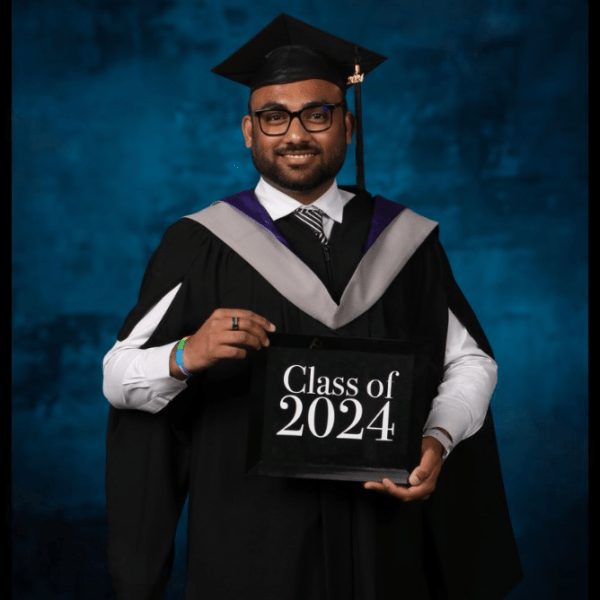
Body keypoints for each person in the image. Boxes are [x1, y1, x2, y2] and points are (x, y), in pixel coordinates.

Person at [102, 13, 522, 600]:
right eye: (274, 117)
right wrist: (184, 354)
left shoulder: (403, 241)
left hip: (383, 537)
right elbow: (118, 377)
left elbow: (472, 363)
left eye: (317, 114)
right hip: (250, 545)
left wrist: (438, 438)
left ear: (347, 127)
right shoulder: (201, 242)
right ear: (249, 131)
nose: (295, 133)